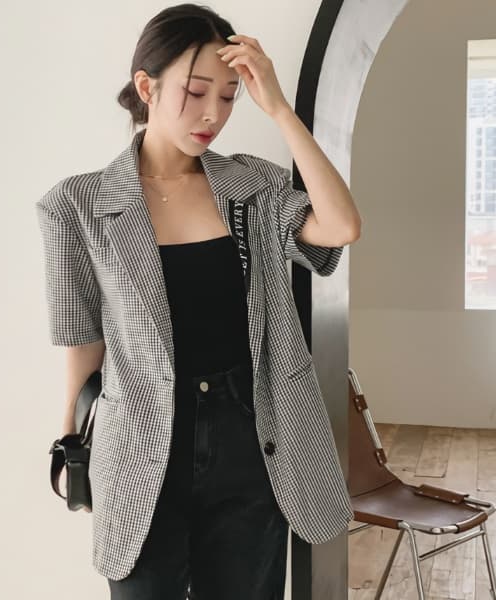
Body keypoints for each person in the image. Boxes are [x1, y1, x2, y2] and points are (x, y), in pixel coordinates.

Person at [35, 3, 361, 599]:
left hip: (252, 439)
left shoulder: (252, 187)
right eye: (196, 91)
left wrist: (279, 109)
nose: (214, 113)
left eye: (230, 96)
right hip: (140, 444)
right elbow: (82, 340)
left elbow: (341, 226)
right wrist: (71, 442)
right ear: (147, 87)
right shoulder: (76, 205)